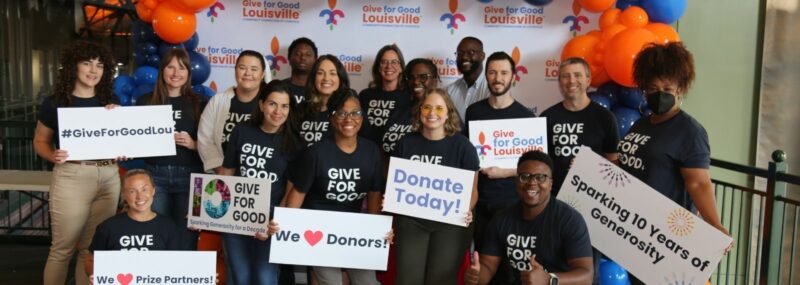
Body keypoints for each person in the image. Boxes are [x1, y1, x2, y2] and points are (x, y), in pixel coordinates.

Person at [620, 42, 729, 284]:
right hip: (634, 229)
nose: (660, 94)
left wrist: (715, 224)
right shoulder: (642, 124)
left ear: (680, 88)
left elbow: (698, 182)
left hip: (666, 235)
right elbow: (628, 165)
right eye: (653, 88)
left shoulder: (690, 131)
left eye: (667, 88)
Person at [34, 41, 122, 285]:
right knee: (62, 249)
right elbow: (40, 141)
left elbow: (121, 142)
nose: (94, 70)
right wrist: (52, 155)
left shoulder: (110, 102)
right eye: (87, 63)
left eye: (99, 65)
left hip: (109, 176)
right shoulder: (55, 102)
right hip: (72, 175)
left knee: (91, 250)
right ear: (73, 66)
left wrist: (123, 146)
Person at [282, 89, 384, 285]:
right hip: (320, 231)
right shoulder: (316, 153)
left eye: (355, 113)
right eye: (342, 113)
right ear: (331, 117)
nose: (349, 119)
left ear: (362, 117)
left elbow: (374, 193)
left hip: (354, 231)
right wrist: (286, 228)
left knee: (368, 282)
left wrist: (377, 230)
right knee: (331, 282)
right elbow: (296, 196)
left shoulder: (371, 151)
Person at [391, 88, 480, 285]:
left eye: (439, 108)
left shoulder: (463, 146)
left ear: (448, 113)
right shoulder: (406, 144)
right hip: (412, 221)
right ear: (420, 111)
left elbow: (473, 190)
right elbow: (395, 184)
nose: (432, 113)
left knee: (441, 280)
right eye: (427, 107)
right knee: (407, 279)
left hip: (450, 223)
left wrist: (467, 208)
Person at [465, 151, 594, 285]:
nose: (532, 183)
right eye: (525, 177)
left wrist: (549, 280)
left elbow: (586, 276)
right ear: (516, 181)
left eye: (540, 177)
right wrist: (476, 276)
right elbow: (488, 266)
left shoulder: (570, 220)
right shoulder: (501, 219)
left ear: (551, 183)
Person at [219, 80, 301, 285]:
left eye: (284, 106)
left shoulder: (294, 142)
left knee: (265, 278)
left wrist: (275, 222)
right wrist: (205, 212)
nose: (278, 112)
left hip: (270, 217)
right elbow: (227, 173)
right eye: (272, 104)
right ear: (261, 104)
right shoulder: (242, 130)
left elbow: (290, 191)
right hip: (236, 212)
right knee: (240, 277)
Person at [463, 52, 535, 251]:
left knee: (508, 261)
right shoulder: (473, 112)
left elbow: (534, 168)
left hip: (512, 202)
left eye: (504, 73)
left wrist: (504, 172)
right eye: (492, 72)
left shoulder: (526, 117)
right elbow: (467, 156)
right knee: (481, 258)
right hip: (480, 202)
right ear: (486, 75)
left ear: (513, 76)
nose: (498, 78)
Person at [137, 48, 206, 250]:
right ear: (162, 70)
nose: (176, 73)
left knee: (187, 237)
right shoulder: (145, 102)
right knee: (155, 236)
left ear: (189, 73)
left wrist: (194, 144)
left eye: (182, 68)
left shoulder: (200, 103)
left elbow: (214, 144)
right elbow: (134, 139)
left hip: (192, 178)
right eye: (171, 67)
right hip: (155, 176)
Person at [540, 57, 619, 194]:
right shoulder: (547, 117)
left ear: (588, 80)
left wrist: (593, 166)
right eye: (565, 76)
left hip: (591, 195)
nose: (571, 80)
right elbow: (539, 161)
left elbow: (614, 162)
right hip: (555, 195)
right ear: (560, 82)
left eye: (577, 75)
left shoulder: (605, 117)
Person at [84, 169, 182, 278]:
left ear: (153, 191)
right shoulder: (108, 227)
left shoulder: (168, 226)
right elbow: (91, 260)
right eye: (132, 191)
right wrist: (95, 277)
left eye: (144, 189)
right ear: (124, 195)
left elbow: (175, 266)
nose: (140, 196)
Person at [198, 49, 271, 174]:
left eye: (254, 69)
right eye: (242, 68)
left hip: (258, 175)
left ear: (262, 74)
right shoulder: (218, 101)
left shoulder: (269, 103)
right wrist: (222, 170)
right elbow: (205, 139)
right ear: (235, 70)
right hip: (221, 173)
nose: (247, 73)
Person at [380, 58, 440, 154]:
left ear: (435, 81)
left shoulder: (443, 113)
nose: (416, 82)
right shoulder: (398, 110)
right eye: (411, 77)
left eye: (423, 77)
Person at [359, 44, 412, 146]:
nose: (389, 66)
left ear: (401, 68)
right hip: (368, 151)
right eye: (384, 62)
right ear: (378, 67)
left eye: (394, 62)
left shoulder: (410, 96)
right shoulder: (365, 95)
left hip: (397, 153)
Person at [296, 55, 350, 146]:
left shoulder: (348, 113)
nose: (326, 78)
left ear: (340, 78)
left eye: (332, 73)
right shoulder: (301, 109)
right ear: (313, 78)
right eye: (320, 73)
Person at [446, 36, 490, 120]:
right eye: (460, 53)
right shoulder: (449, 91)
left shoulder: (491, 89)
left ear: (482, 56)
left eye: (471, 52)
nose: (464, 57)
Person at [283, 37, 318, 105]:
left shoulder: (320, 88)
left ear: (315, 60)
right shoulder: (280, 87)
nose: (303, 58)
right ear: (289, 58)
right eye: (298, 54)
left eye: (308, 54)